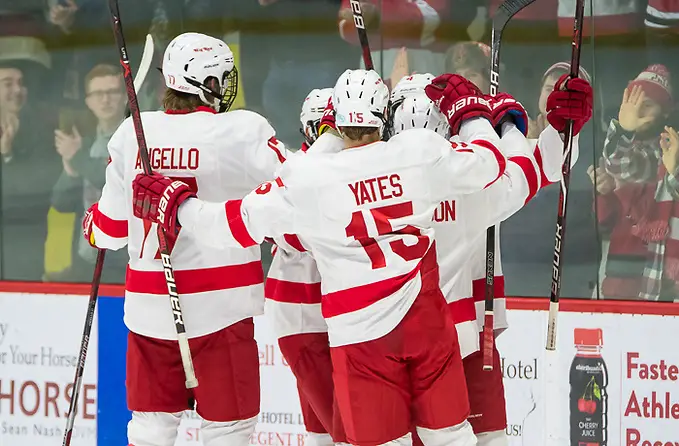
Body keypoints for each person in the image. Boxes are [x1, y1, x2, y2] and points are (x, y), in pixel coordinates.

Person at [132, 68, 513, 445]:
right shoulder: (417, 153)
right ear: (386, 114)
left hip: (361, 337)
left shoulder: (308, 178)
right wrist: (472, 113)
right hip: (427, 324)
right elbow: (491, 162)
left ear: (334, 120)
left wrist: (177, 204)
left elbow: (230, 226)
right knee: (451, 438)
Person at [81, 32, 288, 446]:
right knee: (228, 430)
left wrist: (90, 222)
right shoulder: (241, 130)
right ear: (207, 83)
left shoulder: (131, 133)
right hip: (222, 311)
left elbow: (109, 231)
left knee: (151, 428)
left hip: (150, 311)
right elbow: (299, 184)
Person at [388, 70, 592, 446]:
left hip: (390, 346)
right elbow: (543, 166)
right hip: (464, 341)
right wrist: (541, 128)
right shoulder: (473, 176)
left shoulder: (369, 184)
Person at [265, 87, 348, 445]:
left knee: (322, 432)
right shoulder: (291, 171)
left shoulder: (344, 168)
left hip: (335, 316)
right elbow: (292, 235)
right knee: (343, 430)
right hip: (302, 318)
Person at [50, 63, 128, 282]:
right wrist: (69, 166)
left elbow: (118, 185)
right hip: (87, 259)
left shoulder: (135, 139)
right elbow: (61, 203)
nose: (106, 99)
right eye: (99, 94)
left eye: (112, 92)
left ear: (124, 97)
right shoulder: (84, 143)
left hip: (123, 260)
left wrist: (76, 157)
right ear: (88, 102)